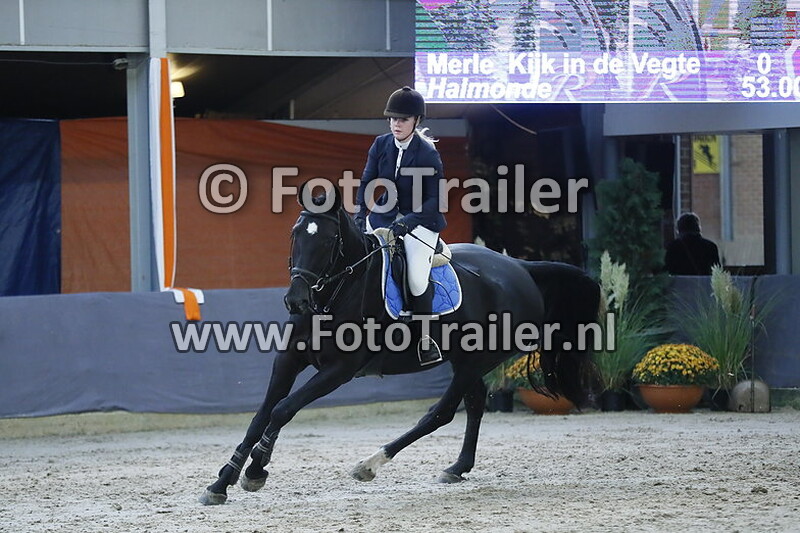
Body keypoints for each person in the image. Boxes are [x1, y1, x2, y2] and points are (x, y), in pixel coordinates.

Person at [354, 86, 446, 366]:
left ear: (416, 121)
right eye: (393, 119)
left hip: (420, 221)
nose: (396, 124)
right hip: (384, 215)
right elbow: (367, 182)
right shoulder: (380, 144)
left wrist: (408, 222)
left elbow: (435, 200)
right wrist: (360, 214)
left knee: (417, 278)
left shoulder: (428, 153)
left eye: (403, 119)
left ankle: (426, 341)